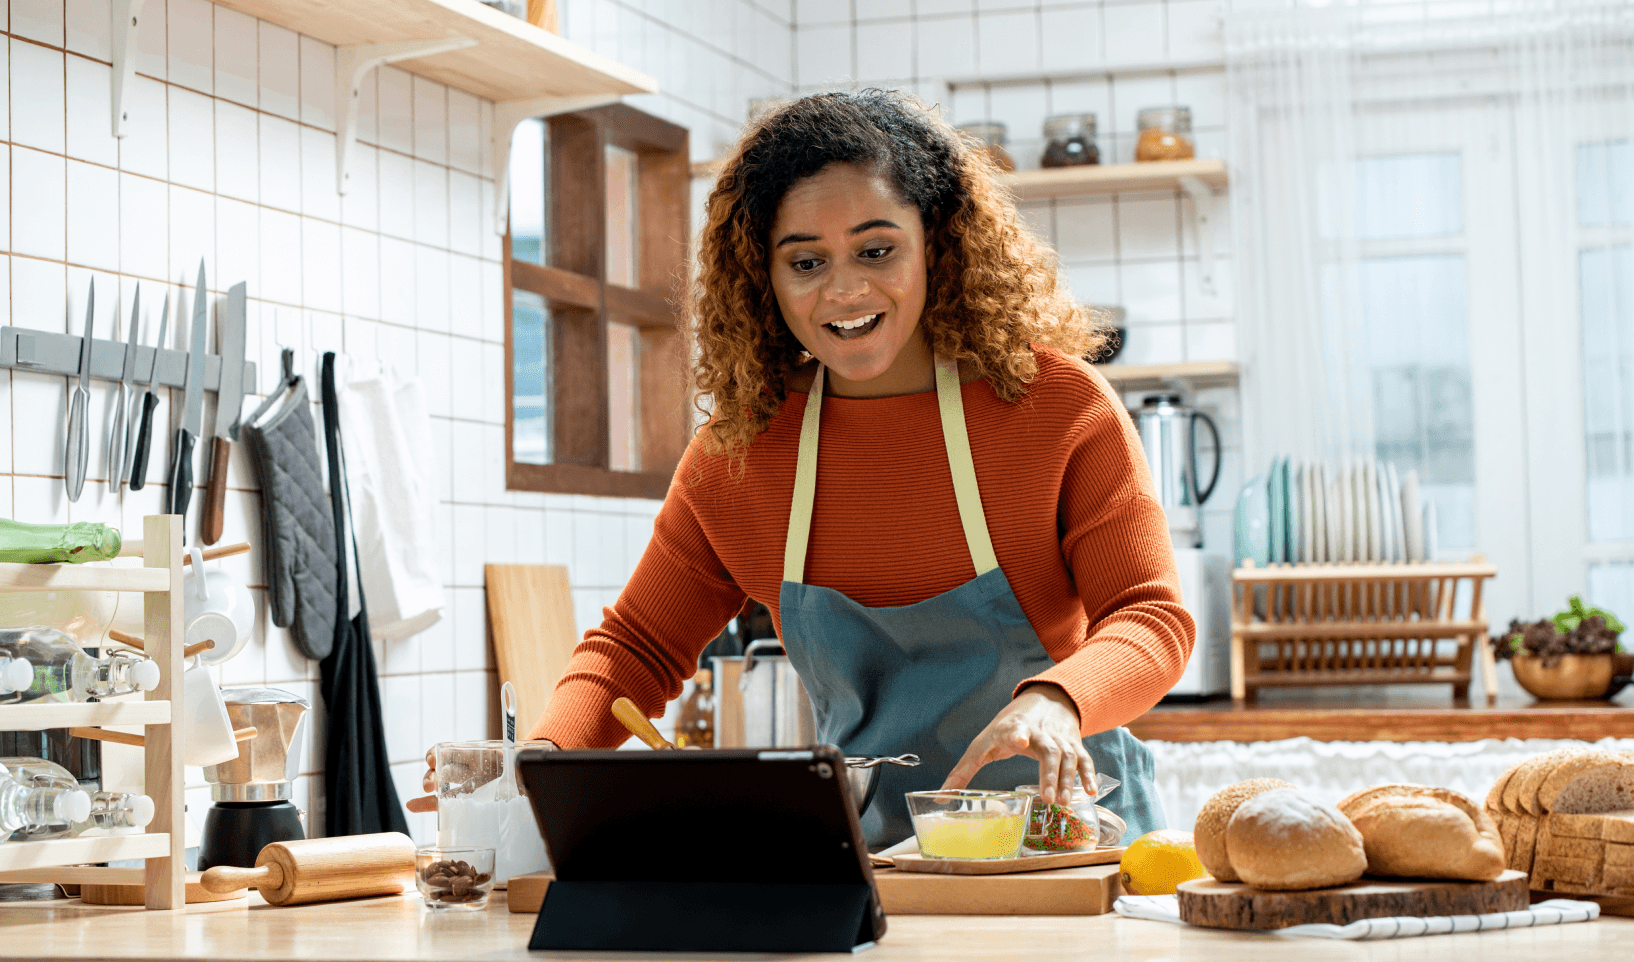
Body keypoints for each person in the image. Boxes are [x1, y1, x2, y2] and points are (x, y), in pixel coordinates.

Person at [441, 90, 1193, 847]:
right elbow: (636, 647)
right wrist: (542, 761)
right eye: (807, 261)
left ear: (938, 243)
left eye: (877, 250)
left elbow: (1150, 617)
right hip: (876, 861)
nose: (843, 289)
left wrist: (1060, 700)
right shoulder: (743, 451)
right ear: (761, 275)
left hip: (1070, 844)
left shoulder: (1054, 406)